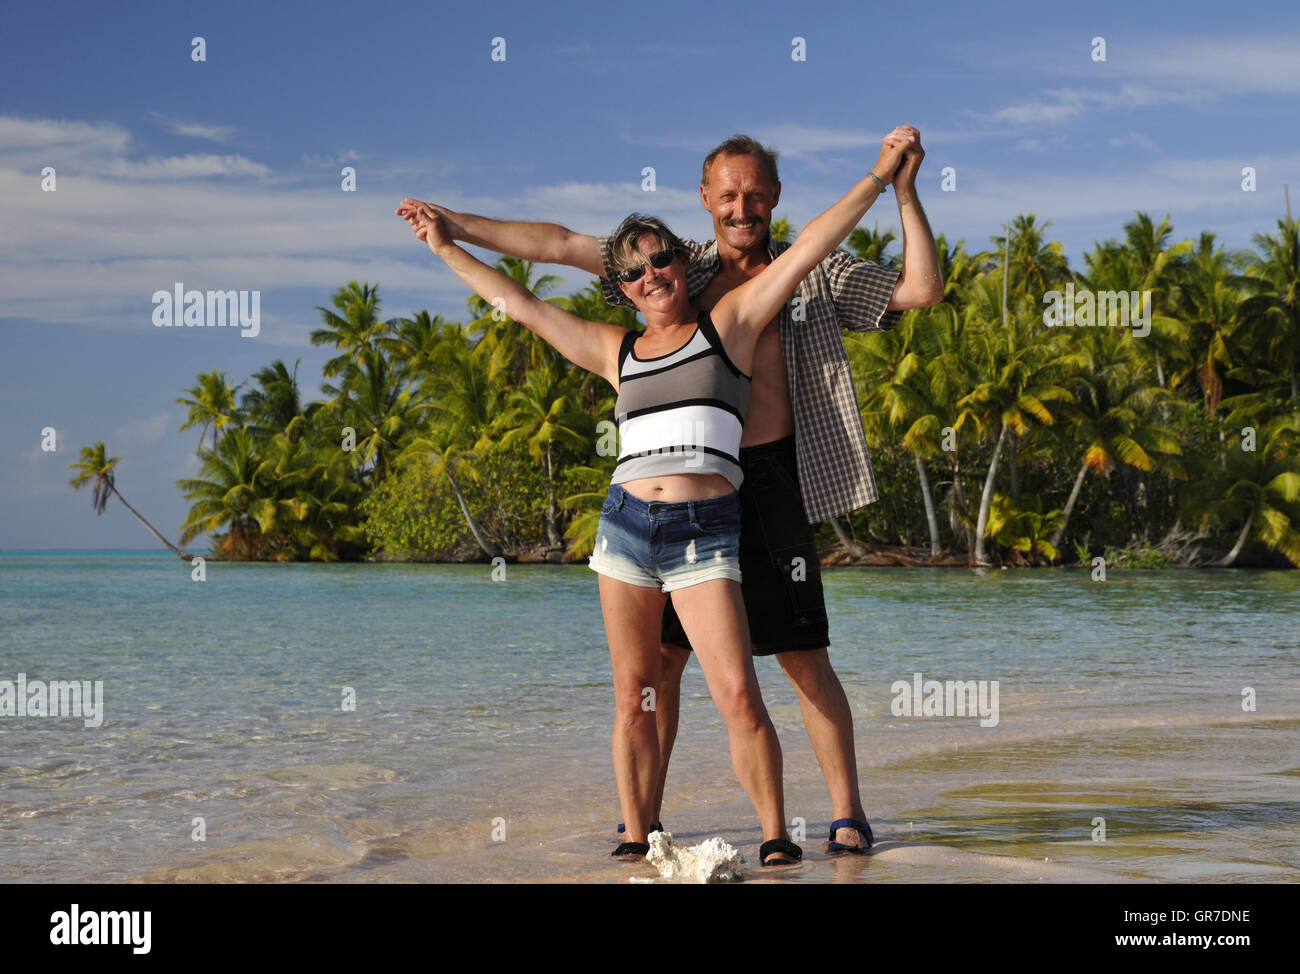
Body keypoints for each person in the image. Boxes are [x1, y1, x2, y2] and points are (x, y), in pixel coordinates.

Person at [398, 127, 942, 854]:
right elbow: (556, 246)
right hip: (657, 508)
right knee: (661, 668)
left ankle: (845, 817)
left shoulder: (809, 273)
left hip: (770, 478)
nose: (742, 208)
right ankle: (641, 822)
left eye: (755, 195)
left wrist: (898, 188)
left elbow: (920, 289)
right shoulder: (670, 263)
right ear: (705, 199)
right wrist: (453, 228)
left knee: (800, 654)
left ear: (775, 197)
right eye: (728, 195)